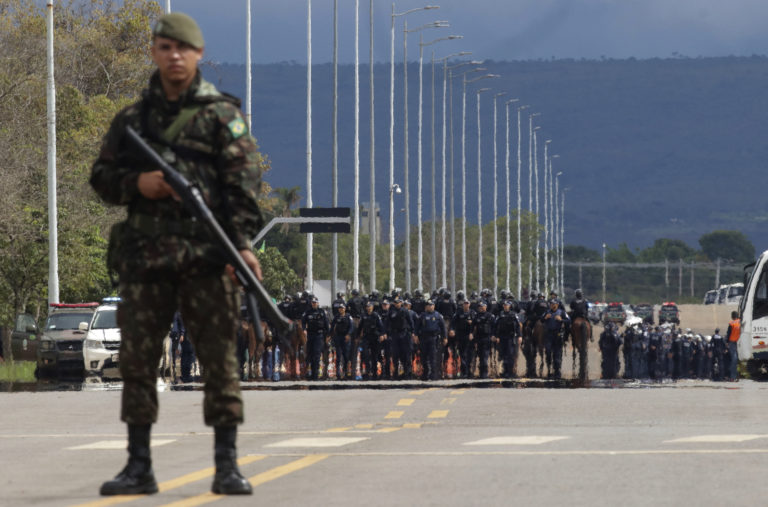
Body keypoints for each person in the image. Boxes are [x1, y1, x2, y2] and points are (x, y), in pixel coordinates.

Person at [90, 12, 262, 496]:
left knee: (219, 358)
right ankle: (139, 464)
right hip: (146, 260)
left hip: (207, 257)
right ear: (154, 52)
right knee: (139, 360)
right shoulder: (132, 120)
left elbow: (243, 188)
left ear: (199, 55)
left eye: (183, 49)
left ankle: (226, 463)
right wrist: (137, 183)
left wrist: (242, 245)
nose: (174, 56)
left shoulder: (220, 116)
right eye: (165, 47)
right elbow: (101, 178)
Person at [417, 300, 446, 380]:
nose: (430, 306)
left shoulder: (438, 315)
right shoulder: (422, 315)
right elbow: (417, 327)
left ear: (434, 306)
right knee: (423, 357)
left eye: (431, 305)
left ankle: (433, 375)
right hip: (423, 338)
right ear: (426, 307)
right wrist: (415, 336)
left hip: (434, 338)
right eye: (428, 305)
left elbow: (443, 327)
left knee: (433, 357)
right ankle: (425, 374)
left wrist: (445, 337)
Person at [302, 297, 330, 380]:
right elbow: (303, 322)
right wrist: (304, 330)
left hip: (319, 336)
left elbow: (326, 324)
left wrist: (328, 336)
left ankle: (316, 375)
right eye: (313, 302)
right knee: (309, 355)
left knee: (317, 355)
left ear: (318, 303)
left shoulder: (322, 312)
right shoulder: (307, 312)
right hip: (310, 335)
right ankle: (310, 374)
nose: (314, 304)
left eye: (315, 302)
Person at [357, 301, 385, 379]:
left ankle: (374, 372)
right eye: (367, 306)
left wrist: (382, 334)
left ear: (372, 307)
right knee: (365, 355)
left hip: (374, 337)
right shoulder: (363, 316)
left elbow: (381, 326)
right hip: (366, 337)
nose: (368, 308)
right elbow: (360, 327)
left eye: (370, 306)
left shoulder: (376, 315)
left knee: (374, 356)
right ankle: (367, 371)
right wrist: (357, 337)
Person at [330, 304, 355, 379]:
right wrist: (329, 335)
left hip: (346, 338)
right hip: (338, 337)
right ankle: (338, 373)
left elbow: (351, 327)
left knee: (346, 356)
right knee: (338, 355)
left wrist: (348, 334)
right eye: (339, 308)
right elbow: (332, 327)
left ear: (345, 309)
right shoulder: (336, 317)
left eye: (342, 308)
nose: (341, 309)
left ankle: (346, 372)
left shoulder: (348, 317)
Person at [472, 301, 496, 379]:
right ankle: (481, 373)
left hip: (487, 338)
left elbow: (494, 327)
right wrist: (474, 340)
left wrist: (493, 336)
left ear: (486, 307)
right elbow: (473, 328)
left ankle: (484, 374)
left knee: (485, 356)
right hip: (479, 338)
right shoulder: (476, 316)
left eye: (483, 306)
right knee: (480, 356)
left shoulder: (490, 316)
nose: (481, 308)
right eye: (480, 307)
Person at [543, 299, 566, 378]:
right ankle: (549, 370)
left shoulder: (561, 312)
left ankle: (557, 372)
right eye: (552, 304)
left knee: (557, 354)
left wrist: (561, 320)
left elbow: (569, 320)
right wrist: (545, 318)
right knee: (548, 352)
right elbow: (541, 320)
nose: (553, 305)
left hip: (558, 335)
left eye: (554, 304)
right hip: (549, 335)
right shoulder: (547, 312)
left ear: (557, 305)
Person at [725, 311, 741, 381]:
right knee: (737, 359)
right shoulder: (741, 322)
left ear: (732, 316)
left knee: (733, 360)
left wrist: (727, 342)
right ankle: (737, 376)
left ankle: (732, 377)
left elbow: (728, 334)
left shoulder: (731, 323)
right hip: (740, 342)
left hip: (732, 342)